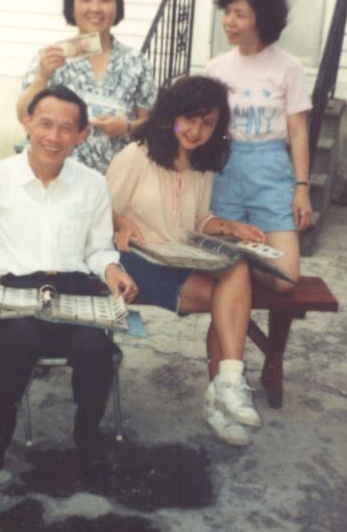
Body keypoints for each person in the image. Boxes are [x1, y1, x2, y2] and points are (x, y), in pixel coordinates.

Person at [0, 85, 138, 479]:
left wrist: (112, 270)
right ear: (27, 123)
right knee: (18, 338)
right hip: (17, 291)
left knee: (95, 346)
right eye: (45, 124)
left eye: (66, 128)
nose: (54, 137)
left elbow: (99, 249)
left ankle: (87, 432)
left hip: (74, 288)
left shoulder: (93, 184)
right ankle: (0, 425)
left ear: (81, 135)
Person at [106, 76, 265, 446]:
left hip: (176, 258)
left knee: (236, 273)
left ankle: (226, 384)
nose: (196, 130)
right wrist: (122, 222)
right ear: (171, 116)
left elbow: (197, 221)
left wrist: (228, 226)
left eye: (208, 123)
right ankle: (221, 396)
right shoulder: (137, 156)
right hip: (135, 261)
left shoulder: (201, 164)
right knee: (231, 304)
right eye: (189, 119)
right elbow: (97, 209)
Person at [206, 0, 312, 291]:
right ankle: (240, 284)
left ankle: (245, 268)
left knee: (285, 279)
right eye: (227, 12)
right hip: (225, 169)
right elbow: (201, 123)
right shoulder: (216, 67)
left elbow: (298, 132)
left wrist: (302, 188)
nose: (229, 22)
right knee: (220, 269)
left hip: (270, 172)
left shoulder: (289, 68)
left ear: (261, 18)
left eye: (240, 14)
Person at [16, 0, 157, 174]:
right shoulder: (51, 57)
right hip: (59, 176)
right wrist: (42, 76)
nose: (95, 8)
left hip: (119, 178)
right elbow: (23, 115)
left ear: (117, 7)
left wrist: (127, 127)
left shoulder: (136, 62)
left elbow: (151, 122)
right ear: (71, 7)